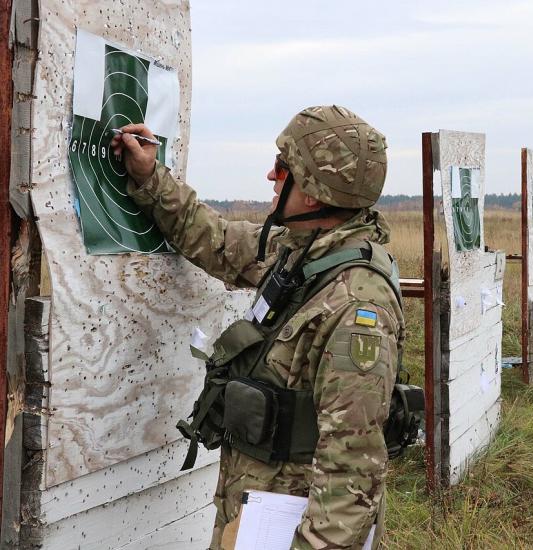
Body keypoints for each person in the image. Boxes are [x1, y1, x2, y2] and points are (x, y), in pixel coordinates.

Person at [112, 105, 405, 550]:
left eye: (283, 168)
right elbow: (216, 239)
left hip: (289, 522)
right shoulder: (303, 254)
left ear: (311, 192)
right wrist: (151, 176)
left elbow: (353, 471)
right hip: (258, 508)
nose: (271, 176)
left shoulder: (356, 305)